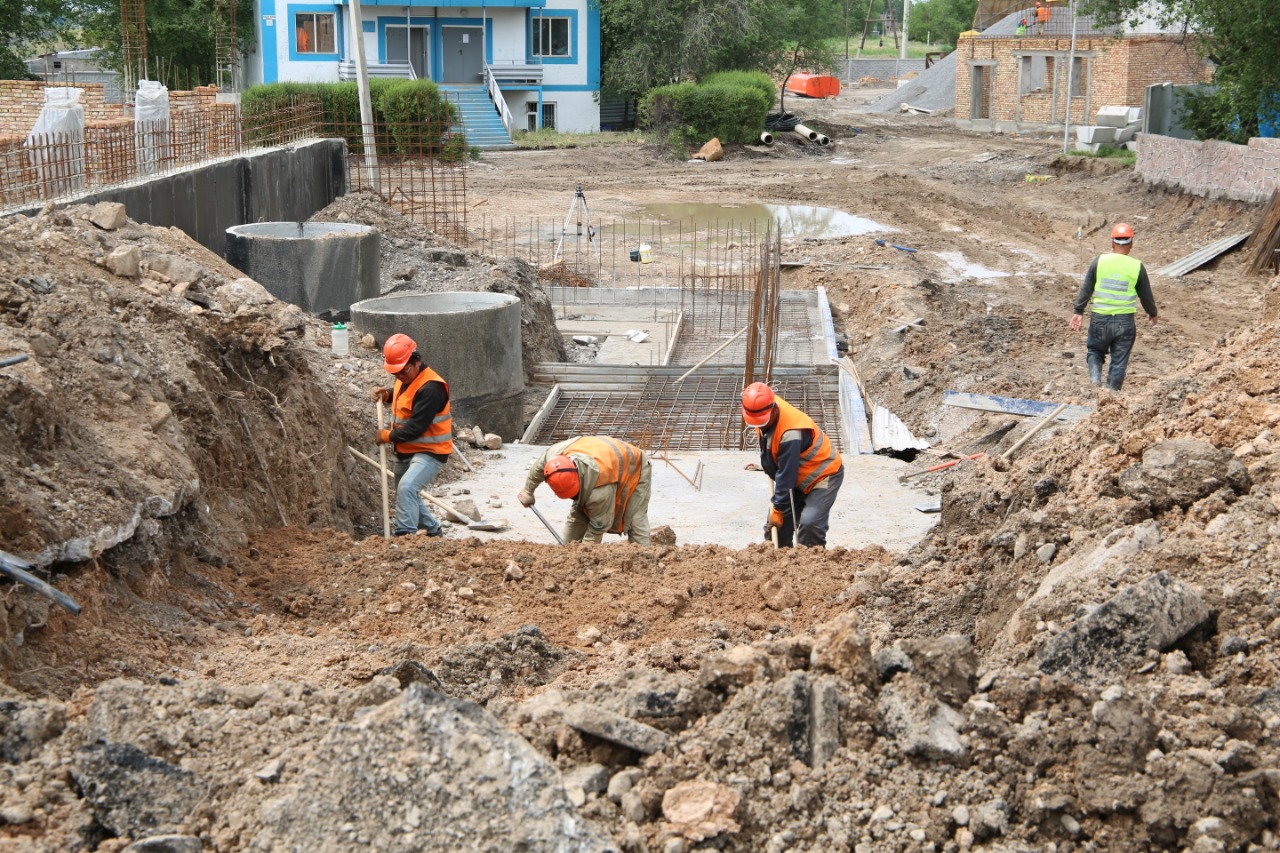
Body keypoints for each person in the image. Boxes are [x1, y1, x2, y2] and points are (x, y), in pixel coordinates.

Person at [741, 383, 843, 548]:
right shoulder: (762, 406)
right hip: (796, 477)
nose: (760, 426)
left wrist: (778, 509)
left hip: (822, 475)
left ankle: (811, 560)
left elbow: (787, 475)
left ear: (773, 409)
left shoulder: (791, 433)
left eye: (762, 422)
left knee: (810, 526)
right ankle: (780, 560)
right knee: (775, 530)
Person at [371, 333, 451, 537]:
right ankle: (432, 531)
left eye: (403, 371)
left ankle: (405, 536)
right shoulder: (405, 377)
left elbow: (416, 427)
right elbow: (405, 397)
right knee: (406, 491)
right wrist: (387, 395)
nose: (400, 376)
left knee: (407, 488)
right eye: (396, 373)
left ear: (416, 361)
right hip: (407, 450)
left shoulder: (432, 387)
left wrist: (387, 436)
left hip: (430, 451)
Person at [1069, 223, 1158, 391]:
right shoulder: (1137, 266)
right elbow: (1146, 295)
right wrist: (1152, 313)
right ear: (1131, 244)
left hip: (1100, 319)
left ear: (1112, 243)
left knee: (1095, 351)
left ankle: (1095, 382)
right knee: (1119, 361)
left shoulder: (1099, 261)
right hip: (1125, 322)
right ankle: (1111, 394)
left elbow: (1087, 288)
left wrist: (1078, 311)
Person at [517, 436, 652, 545]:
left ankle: (644, 558)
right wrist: (528, 490)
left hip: (634, 464)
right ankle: (567, 547)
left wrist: (584, 553)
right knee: (580, 512)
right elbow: (539, 467)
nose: (573, 498)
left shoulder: (599, 490)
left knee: (634, 518)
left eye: (574, 495)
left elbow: (599, 526)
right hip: (603, 454)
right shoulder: (555, 457)